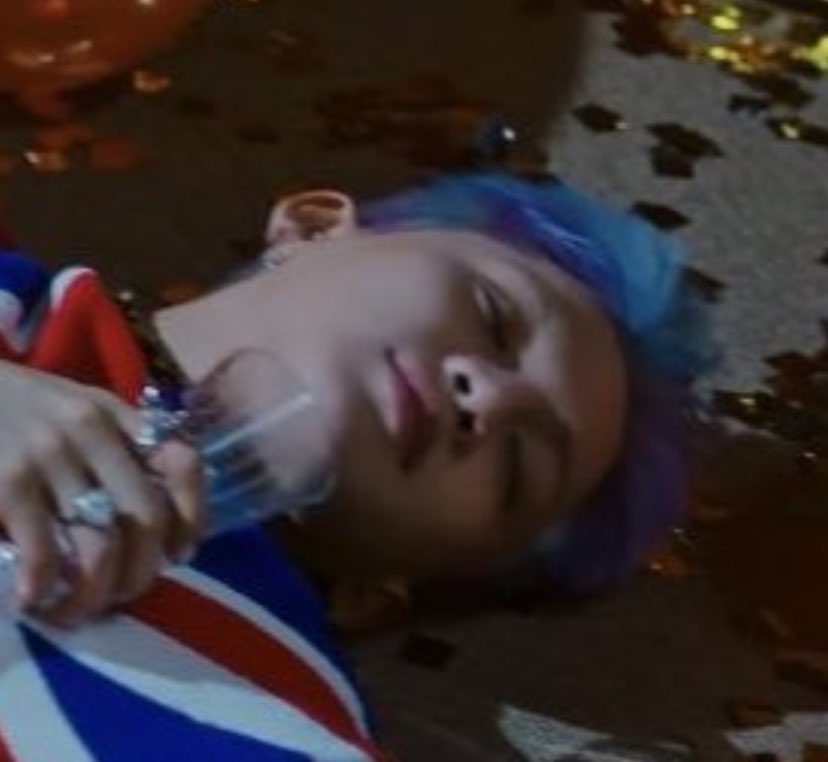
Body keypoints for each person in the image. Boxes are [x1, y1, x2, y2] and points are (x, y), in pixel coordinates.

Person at [0, 172, 716, 630]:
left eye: (516, 471)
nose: (491, 398)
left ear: (380, 592)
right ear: (313, 229)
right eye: (494, 317)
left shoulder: (281, 721)